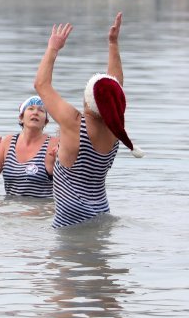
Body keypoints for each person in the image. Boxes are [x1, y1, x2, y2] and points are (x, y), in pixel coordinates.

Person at [34, 13, 144, 228]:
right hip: (102, 212)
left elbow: (41, 84)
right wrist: (113, 43)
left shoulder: (75, 124)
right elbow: (115, 88)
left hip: (70, 219)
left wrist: (53, 49)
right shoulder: (115, 126)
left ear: (87, 100)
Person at [0, 96, 58, 198]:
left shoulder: (54, 144)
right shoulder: (8, 142)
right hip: (12, 209)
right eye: (30, 109)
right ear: (21, 117)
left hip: (42, 211)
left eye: (41, 110)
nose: (35, 112)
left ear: (46, 122)